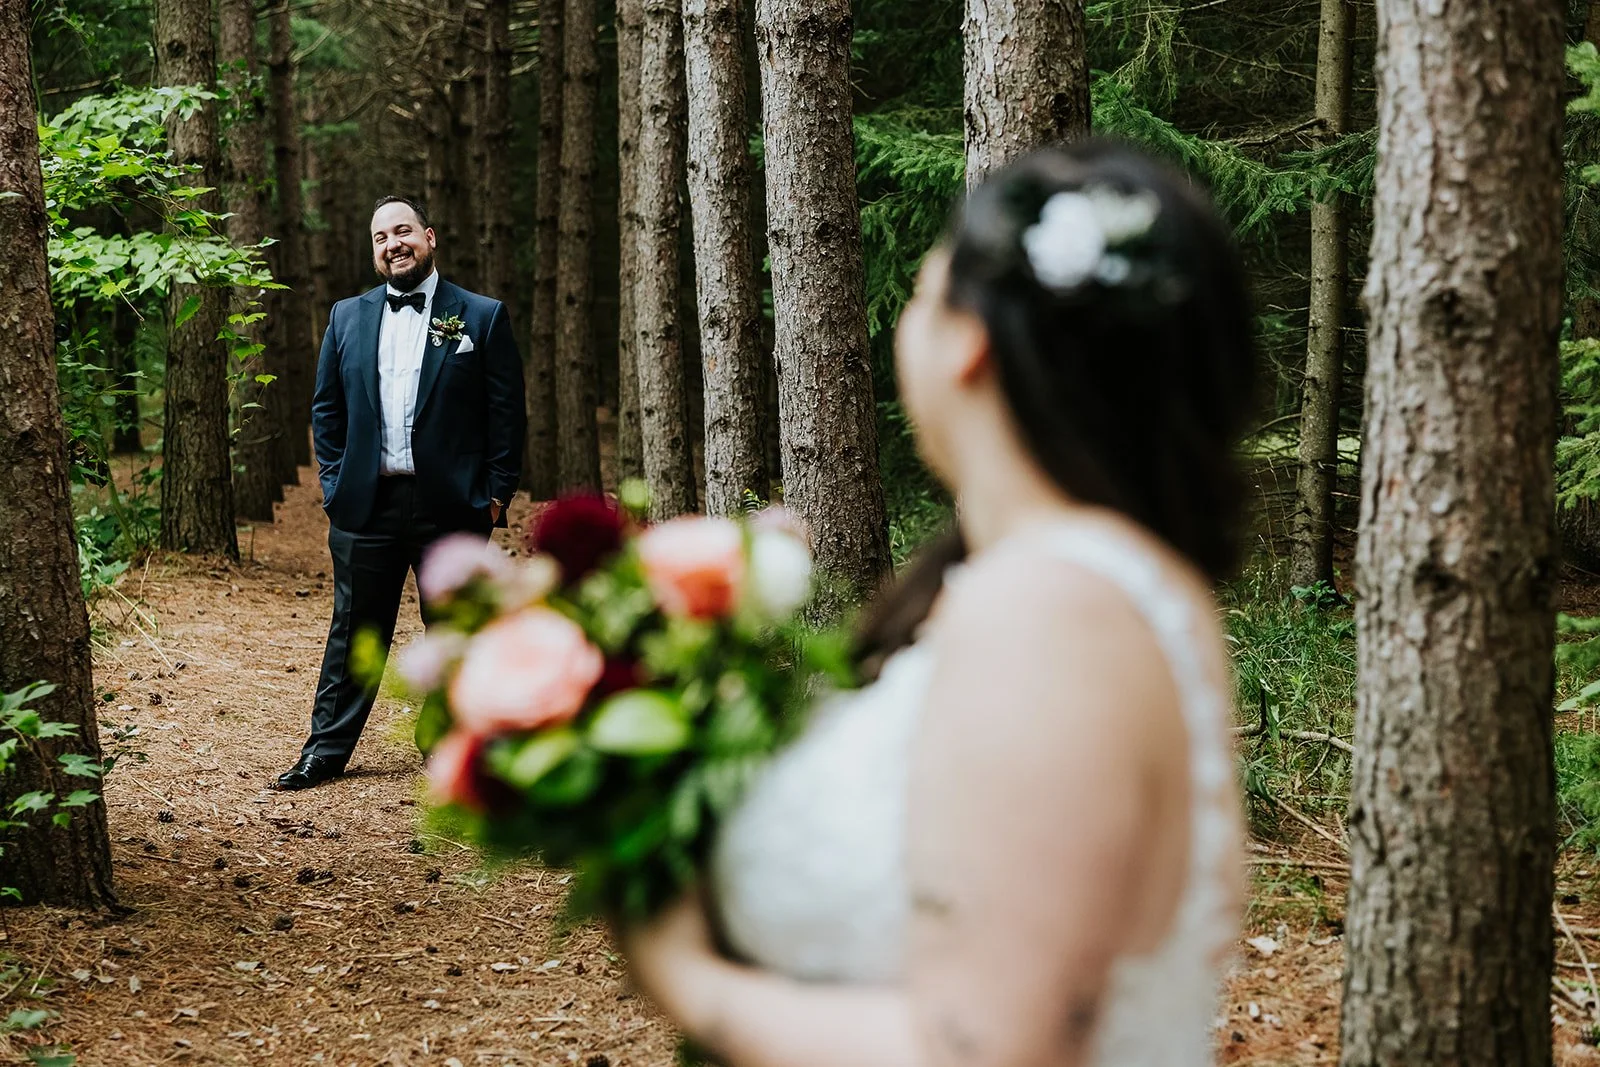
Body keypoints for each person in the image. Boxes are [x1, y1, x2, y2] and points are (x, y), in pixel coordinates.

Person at [622, 140, 1255, 1066]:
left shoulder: (1052, 608)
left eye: (920, 295)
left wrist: (685, 977)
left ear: (970, 343)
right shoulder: (1100, 586)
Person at [276, 196, 526, 791]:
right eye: (381, 236)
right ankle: (325, 752)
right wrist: (334, 486)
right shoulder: (346, 317)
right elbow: (327, 410)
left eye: (404, 231)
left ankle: (455, 750)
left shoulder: (481, 316)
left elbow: (506, 416)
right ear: (373, 250)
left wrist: (493, 496)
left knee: (456, 634)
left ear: (430, 237)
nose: (394, 243)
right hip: (367, 505)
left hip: (454, 508)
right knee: (353, 633)